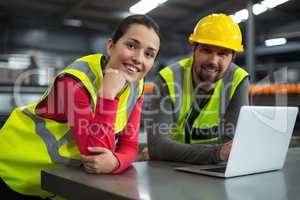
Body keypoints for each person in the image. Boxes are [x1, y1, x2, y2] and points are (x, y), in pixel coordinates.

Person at [0, 14, 160, 199]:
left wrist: (116, 161)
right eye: (131, 45)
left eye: (149, 54)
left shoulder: (137, 85)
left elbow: (129, 145)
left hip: (59, 182)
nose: (138, 58)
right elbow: (94, 156)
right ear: (110, 46)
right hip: (14, 171)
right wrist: (107, 96)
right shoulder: (75, 81)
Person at [144, 13, 249, 164]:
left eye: (222, 54)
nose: (213, 60)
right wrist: (216, 152)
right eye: (207, 50)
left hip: (204, 169)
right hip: (169, 171)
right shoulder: (168, 79)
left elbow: (232, 143)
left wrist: (170, 151)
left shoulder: (239, 80)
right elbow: (158, 147)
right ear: (194, 50)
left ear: (232, 58)